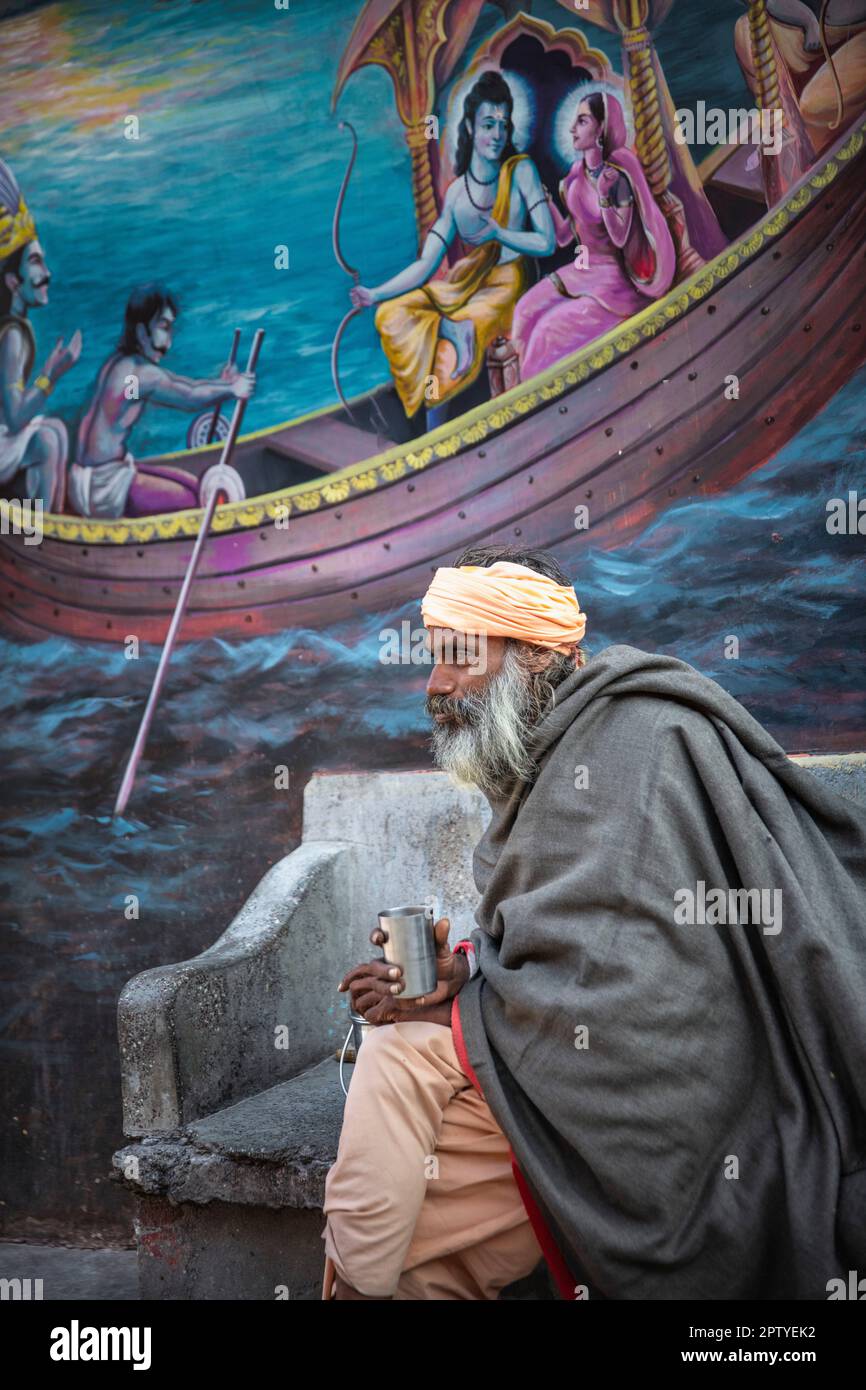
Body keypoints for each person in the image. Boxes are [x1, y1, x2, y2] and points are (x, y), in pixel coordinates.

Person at [321, 542, 866, 1300]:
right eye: (434, 662)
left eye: (458, 660)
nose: (437, 687)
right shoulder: (556, 743)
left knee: (399, 1058)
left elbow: (632, 984)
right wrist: (470, 969)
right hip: (568, 1065)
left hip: (679, 1092)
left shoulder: (637, 741)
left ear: (536, 656)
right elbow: (571, 939)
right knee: (426, 1234)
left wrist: (465, 1006)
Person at [350, 71, 555, 419]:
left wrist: (501, 234)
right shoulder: (458, 192)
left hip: (509, 284)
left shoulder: (520, 171)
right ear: (472, 127)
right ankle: (451, 328)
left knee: (443, 359)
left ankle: (438, 446)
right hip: (469, 282)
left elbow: (546, 242)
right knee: (391, 314)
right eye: (489, 124)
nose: (497, 134)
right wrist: (374, 294)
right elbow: (425, 265)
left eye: (503, 125)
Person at [511, 89, 676, 383]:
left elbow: (620, 237)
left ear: (601, 128)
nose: (573, 128)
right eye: (575, 121)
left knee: (546, 333)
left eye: (583, 121)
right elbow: (564, 237)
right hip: (584, 270)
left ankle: (534, 403)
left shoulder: (617, 177)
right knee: (523, 313)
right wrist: (544, 199)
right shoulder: (574, 177)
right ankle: (514, 393)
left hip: (614, 281)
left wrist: (603, 196)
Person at [70, 285, 255, 519]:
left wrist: (222, 385)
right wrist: (232, 390)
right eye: (164, 327)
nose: (168, 341)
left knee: (191, 482)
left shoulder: (120, 366)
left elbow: (186, 387)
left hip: (88, 478)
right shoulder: (138, 375)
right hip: (103, 490)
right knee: (195, 500)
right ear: (141, 332)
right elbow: (188, 396)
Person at [0, 157, 81, 511]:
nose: (46, 273)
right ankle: (40, 539)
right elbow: (16, 416)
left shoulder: (16, 327)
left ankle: (47, 530)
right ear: (13, 281)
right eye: (36, 263)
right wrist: (51, 375)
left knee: (56, 432)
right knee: (48, 440)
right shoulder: (12, 335)